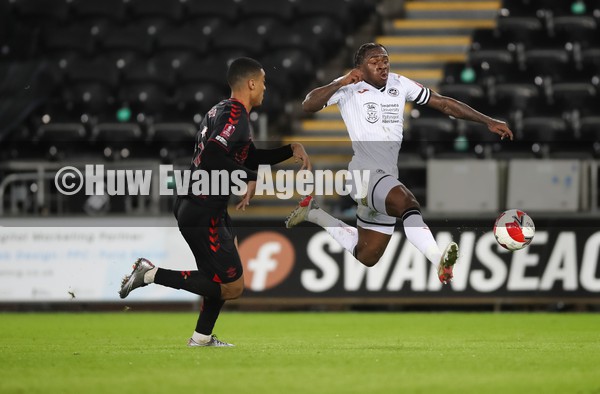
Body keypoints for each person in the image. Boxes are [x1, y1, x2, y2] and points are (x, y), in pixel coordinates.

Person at [119, 57, 311, 347]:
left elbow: (246, 156)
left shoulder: (221, 110)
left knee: (218, 278)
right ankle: (150, 274)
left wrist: (288, 151)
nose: (265, 88)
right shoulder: (235, 115)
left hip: (202, 205)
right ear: (251, 83)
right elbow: (211, 155)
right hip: (203, 208)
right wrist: (248, 177)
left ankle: (201, 337)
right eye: (263, 82)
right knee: (232, 287)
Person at [286, 43, 513, 284]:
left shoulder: (399, 83)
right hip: (363, 175)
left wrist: (487, 121)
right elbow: (308, 104)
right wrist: (339, 83)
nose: (382, 65)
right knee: (407, 203)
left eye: (385, 60)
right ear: (359, 68)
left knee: (367, 254)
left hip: (385, 177)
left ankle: (315, 214)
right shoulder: (349, 86)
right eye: (375, 61)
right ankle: (439, 261)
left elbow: (444, 103)